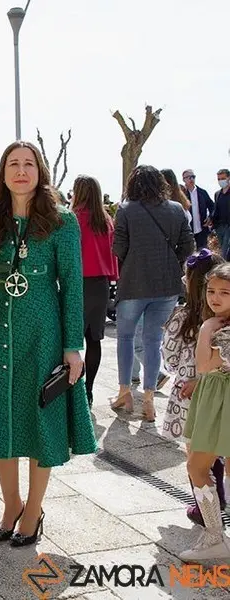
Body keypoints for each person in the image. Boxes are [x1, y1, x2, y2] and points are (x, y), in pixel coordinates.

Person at [0, 141, 97, 548]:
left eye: (28, 164)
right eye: (13, 164)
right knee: (2, 418)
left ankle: (33, 509)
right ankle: (11, 503)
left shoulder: (62, 222)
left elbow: (72, 287)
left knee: (39, 423)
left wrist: (73, 346)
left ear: (41, 171)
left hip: (43, 336)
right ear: (2, 173)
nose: (21, 171)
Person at [112, 165, 195, 421]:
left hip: (134, 284)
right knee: (152, 341)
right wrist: (171, 263)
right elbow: (188, 246)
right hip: (167, 285)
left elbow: (118, 248)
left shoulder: (126, 209)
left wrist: (134, 260)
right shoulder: (176, 209)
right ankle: (149, 397)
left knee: (125, 338)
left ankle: (125, 392)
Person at [160, 249, 225, 527]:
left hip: (187, 394)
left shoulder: (182, 317)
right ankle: (219, 496)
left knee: (195, 457)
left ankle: (206, 509)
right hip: (221, 395)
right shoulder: (225, 321)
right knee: (218, 450)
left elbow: (170, 360)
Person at [178, 262, 230, 562]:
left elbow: (204, 365)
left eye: (224, 292)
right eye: (211, 290)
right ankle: (214, 534)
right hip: (212, 395)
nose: (215, 297)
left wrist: (208, 329)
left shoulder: (215, 326)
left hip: (219, 396)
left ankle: (214, 535)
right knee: (197, 466)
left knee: (198, 466)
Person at [71, 175, 118, 406]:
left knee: (72, 339)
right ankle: (88, 390)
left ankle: (74, 388)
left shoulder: (73, 219)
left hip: (76, 284)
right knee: (94, 339)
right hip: (100, 285)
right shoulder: (106, 220)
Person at [182, 169, 215, 249]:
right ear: (184, 179)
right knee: (189, 256)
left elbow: (212, 207)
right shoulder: (182, 194)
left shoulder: (202, 192)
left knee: (203, 255)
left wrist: (210, 217)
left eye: (193, 177)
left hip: (202, 230)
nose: (192, 179)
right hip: (187, 231)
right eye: (189, 177)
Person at [214, 169, 230, 259]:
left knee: (225, 251)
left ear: (229, 178)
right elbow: (216, 210)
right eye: (219, 179)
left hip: (229, 226)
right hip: (219, 227)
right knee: (223, 249)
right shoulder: (217, 194)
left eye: (223, 178)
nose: (221, 181)